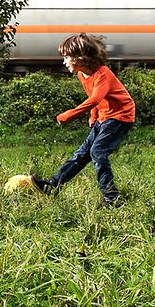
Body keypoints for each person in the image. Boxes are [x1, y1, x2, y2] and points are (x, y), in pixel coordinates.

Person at [32, 33, 136, 207]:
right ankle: (53, 185)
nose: (64, 62)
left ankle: (112, 198)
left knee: (97, 152)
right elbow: (94, 97)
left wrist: (69, 114)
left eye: (66, 57)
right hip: (104, 117)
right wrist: (93, 116)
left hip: (120, 116)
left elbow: (95, 99)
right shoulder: (83, 75)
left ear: (80, 58)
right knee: (82, 153)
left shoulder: (103, 75)